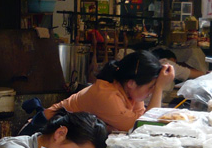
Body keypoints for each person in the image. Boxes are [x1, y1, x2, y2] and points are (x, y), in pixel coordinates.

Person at [40, 50, 175, 133]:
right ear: (131, 83)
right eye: (150, 87)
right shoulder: (108, 96)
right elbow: (144, 127)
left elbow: (141, 119)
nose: (151, 92)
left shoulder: (128, 90)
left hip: (71, 133)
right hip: (44, 130)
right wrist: (159, 88)